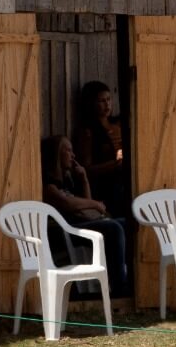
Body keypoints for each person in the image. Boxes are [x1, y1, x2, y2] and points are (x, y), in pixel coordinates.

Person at [41, 135, 132, 299]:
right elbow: (68, 204)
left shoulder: (66, 181)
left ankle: (128, 278)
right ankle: (119, 287)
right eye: (68, 150)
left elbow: (87, 208)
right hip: (61, 232)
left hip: (77, 226)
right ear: (56, 155)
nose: (73, 155)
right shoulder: (49, 185)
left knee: (125, 223)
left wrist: (83, 179)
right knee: (114, 228)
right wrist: (95, 204)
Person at [73, 81, 130, 216]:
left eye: (109, 99)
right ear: (91, 103)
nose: (107, 105)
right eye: (101, 101)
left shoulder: (118, 124)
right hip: (107, 185)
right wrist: (114, 165)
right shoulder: (88, 132)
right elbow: (86, 168)